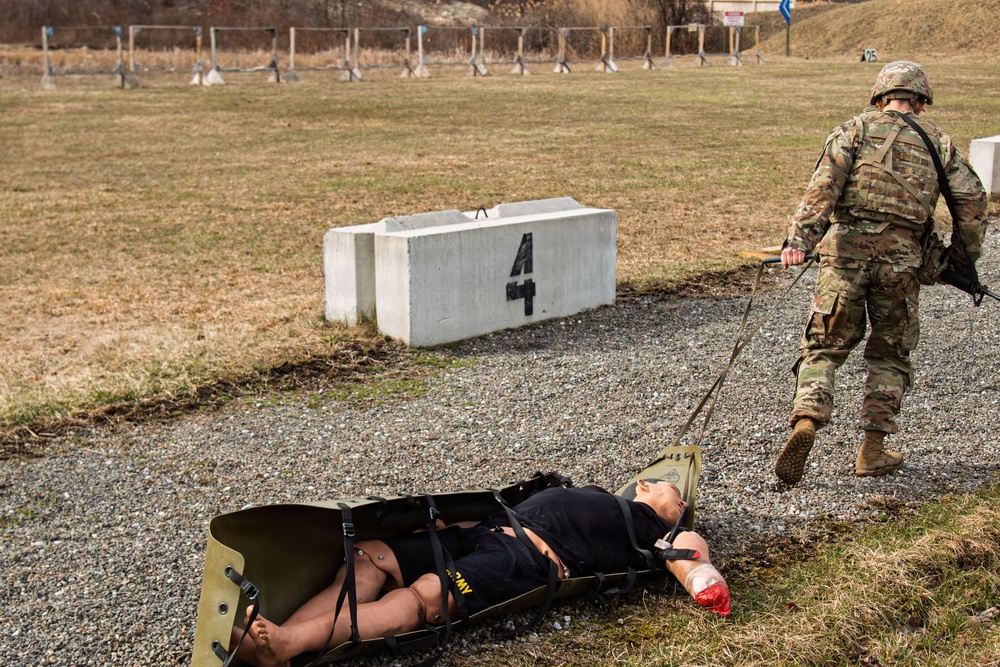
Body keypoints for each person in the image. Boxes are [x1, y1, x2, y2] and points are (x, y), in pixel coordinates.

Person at [230, 480, 729, 667]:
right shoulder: (600, 494)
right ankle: (281, 633)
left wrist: (702, 580)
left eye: (680, 503)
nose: (678, 502)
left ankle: (291, 644)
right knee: (369, 554)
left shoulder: (649, 533)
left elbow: (690, 551)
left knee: (425, 597)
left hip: (528, 560)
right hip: (485, 529)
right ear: (641, 484)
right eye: (672, 493)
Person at [776, 60, 988, 485]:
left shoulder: (852, 130)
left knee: (824, 347)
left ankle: (807, 420)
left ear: (879, 96)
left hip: (845, 256)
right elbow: (973, 203)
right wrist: (961, 264)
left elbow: (823, 186)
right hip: (902, 262)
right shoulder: (939, 144)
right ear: (921, 102)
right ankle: (871, 452)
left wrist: (800, 242)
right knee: (890, 354)